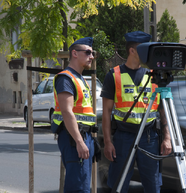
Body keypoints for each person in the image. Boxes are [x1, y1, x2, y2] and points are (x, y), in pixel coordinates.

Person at [100, 31, 172, 193]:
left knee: (153, 186)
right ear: (132, 50)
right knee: (119, 185)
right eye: (144, 49)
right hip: (123, 138)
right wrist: (108, 142)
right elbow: (106, 112)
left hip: (149, 137)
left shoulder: (154, 75)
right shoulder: (114, 75)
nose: (148, 53)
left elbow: (163, 110)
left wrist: (167, 137)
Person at [51, 37, 100, 192]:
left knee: (83, 184)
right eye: (88, 52)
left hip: (83, 137)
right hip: (74, 138)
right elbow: (67, 111)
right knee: (78, 188)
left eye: (93, 53)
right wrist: (79, 141)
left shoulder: (79, 78)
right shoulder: (66, 78)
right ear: (74, 53)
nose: (91, 56)